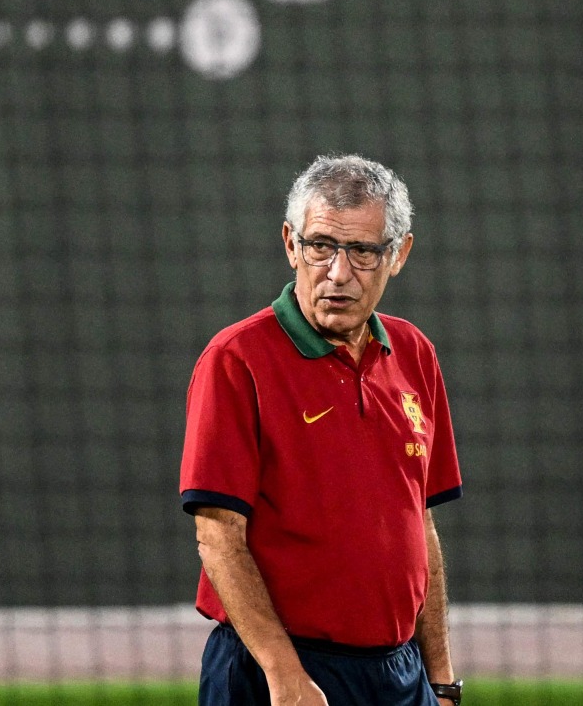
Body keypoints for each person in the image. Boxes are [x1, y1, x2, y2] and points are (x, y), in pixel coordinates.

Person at [179, 154, 464, 706]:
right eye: (320, 247)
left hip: (400, 674)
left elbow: (418, 522)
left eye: (361, 251)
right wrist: (284, 676)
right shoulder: (236, 360)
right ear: (291, 245)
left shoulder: (414, 353)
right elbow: (217, 539)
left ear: (398, 255)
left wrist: (442, 678)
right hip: (275, 671)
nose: (338, 273)